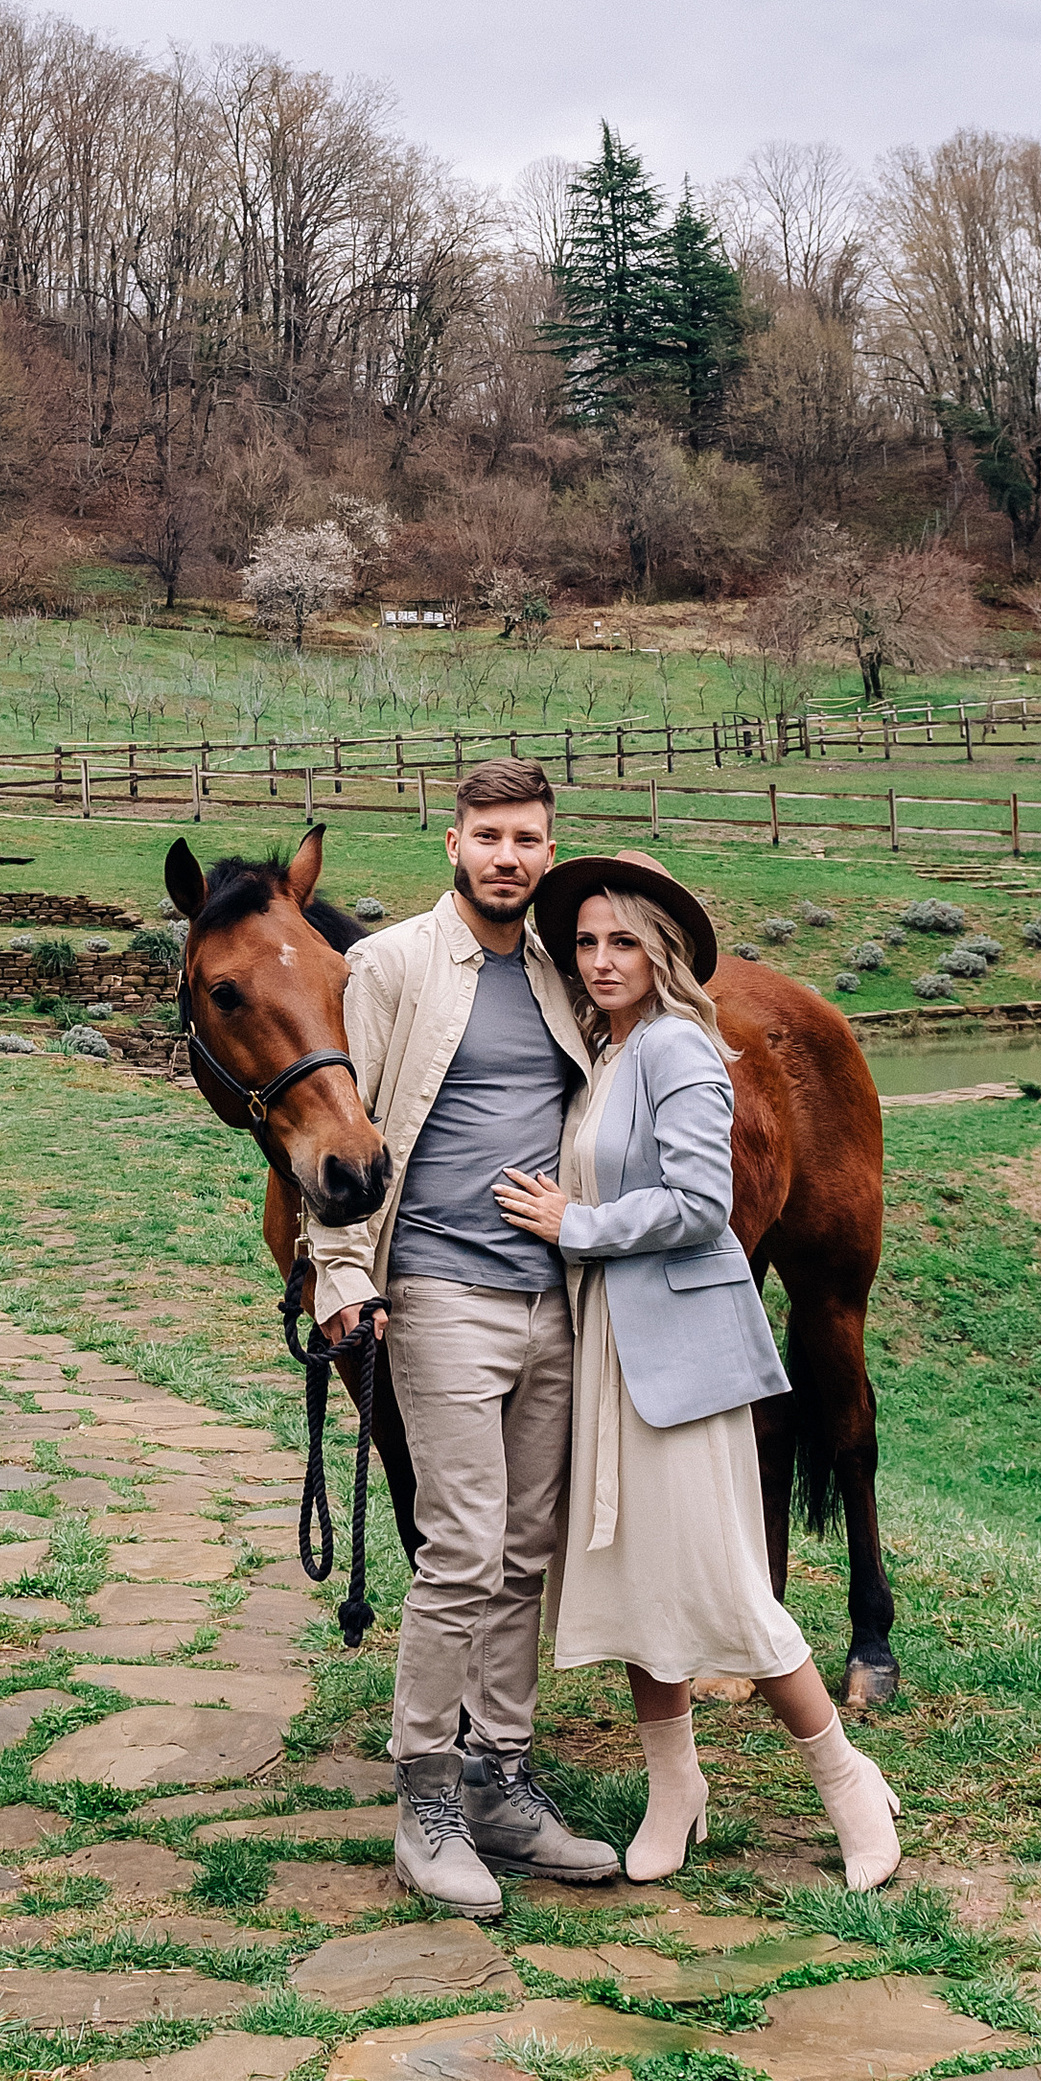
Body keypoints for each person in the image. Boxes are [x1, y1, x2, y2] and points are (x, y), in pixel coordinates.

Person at [491, 852, 903, 1891]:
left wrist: (572, 1223)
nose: (599, 960)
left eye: (622, 940)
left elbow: (697, 1205)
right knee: (634, 1584)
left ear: (663, 949)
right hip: (608, 1353)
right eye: (584, 942)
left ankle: (846, 1779)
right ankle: (674, 1787)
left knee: (726, 1587)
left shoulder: (680, 1046)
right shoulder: (604, 1053)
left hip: (675, 1349)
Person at [304, 760, 622, 1918]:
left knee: (526, 1550)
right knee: (462, 1548)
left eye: (526, 838)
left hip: (552, 1298)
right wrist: (341, 1272)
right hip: (438, 1292)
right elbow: (346, 1127)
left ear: (548, 849)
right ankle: (425, 1798)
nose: (506, 855)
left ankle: (502, 1781)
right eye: (487, 834)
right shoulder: (388, 964)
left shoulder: (555, 969)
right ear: (452, 843)